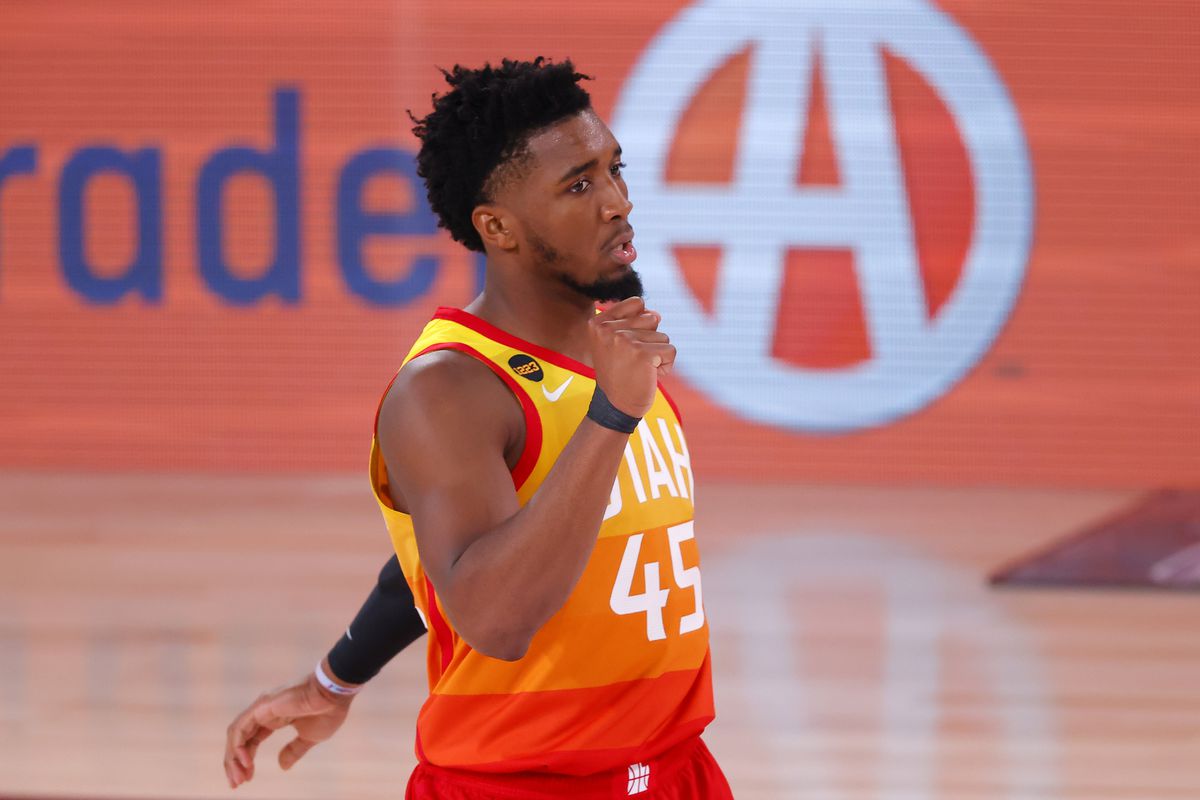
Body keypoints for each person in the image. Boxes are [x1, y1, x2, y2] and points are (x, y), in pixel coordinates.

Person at [224, 57, 731, 799]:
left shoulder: (611, 354)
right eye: (579, 185)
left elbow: (447, 559)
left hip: (675, 773)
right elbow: (492, 614)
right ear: (498, 226)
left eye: (614, 169)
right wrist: (614, 414)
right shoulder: (447, 389)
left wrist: (335, 678)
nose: (618, 203)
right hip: (519, 786)